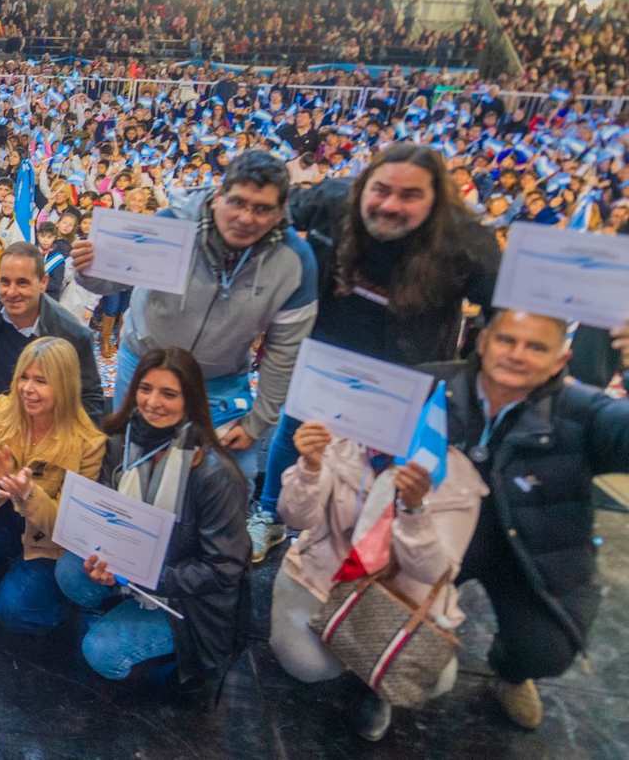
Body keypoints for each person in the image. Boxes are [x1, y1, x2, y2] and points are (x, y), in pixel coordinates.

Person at [255, 144, 502, 561]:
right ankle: (269, 514)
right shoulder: (330, 201)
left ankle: (357, 537)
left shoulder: (465, 240)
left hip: (405, 370)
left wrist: (476, 372)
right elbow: (272, 212)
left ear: (435, 200)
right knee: (297, 436)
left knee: (381, 465)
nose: (390, 205)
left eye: (409, 196)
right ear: (362, 185)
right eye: (381, 190)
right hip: (326, 354)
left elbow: (505, 307)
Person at [70, 151, 319, 560]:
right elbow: (106, 280)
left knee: (235, 470)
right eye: (238, 202)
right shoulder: (173, 225)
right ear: (218, 195)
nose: (246, 217)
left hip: (219, 378)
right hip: (146, 360)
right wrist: (87, 267)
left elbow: (284, 353)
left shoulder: (295, 261)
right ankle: (123, 548)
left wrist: (258, 422)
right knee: (133, 457)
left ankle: (201, 567)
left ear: (280, 213)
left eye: (262, 209)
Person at [432, 309, 629, 731]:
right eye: (507, 340)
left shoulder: (586, 412)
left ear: (561, 360)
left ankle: (511, 671)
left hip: (531, 550)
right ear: (483, 342)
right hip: (432, 545)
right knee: (392, 639)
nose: (518, 355)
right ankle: (381, 676)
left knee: (546, 650)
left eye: (537, 346)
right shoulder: (429, 386)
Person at [270, 413, 485, 741]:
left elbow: (433, 571)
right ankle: (351, 658)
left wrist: (414, 511)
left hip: (401, 594)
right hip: (326, 577)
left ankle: (373, 683)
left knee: (434, 678)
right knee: (307, 665)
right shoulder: (337, 440)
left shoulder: (454, 473)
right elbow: (296, 517)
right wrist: (310, 467)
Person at [56, 347, 251, 690]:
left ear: (190, 400)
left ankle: (171, 671)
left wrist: (149, 576)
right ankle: (120, 615)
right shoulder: (120, 440)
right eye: (145, 389)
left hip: (188, 602)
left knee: (101, 652)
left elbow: (224, 569)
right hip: (134, 569)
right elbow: (104, 510)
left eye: (169, 394)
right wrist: (99, 555)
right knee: (70, 572)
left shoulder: (215, 473)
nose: (153, 402)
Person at [0, 337, 105, 633]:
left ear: (64, 386)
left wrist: (28, 494)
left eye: (41, 381)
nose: (28, 389)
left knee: (16, 612)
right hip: (1, 511)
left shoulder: (89, 442)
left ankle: (53, 599)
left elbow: (72, 527)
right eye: (24, 377)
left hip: (48, 539)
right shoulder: (3, 410)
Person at [0, 241, 104, 492]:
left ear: (43, 282)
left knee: (36, 486)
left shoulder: (70, 333)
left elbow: (92, 396)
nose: (11, 291)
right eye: (5, 281)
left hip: (44, 421)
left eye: (22, 282)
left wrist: (83, 452)